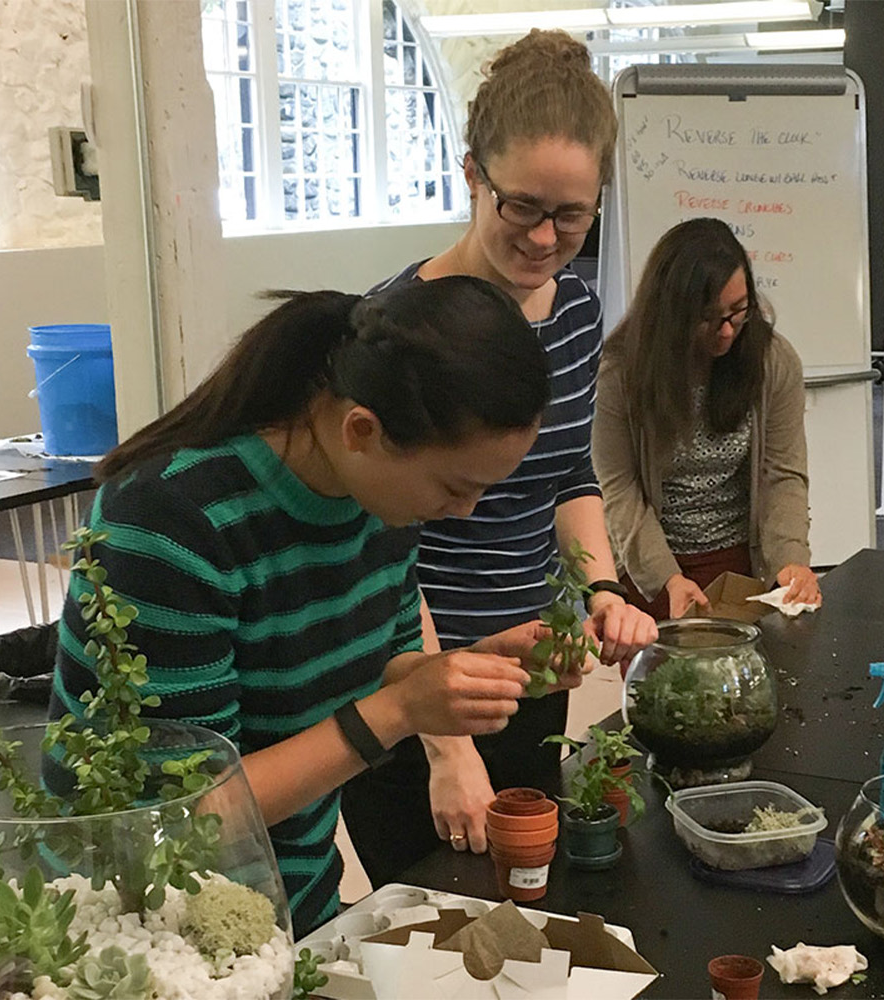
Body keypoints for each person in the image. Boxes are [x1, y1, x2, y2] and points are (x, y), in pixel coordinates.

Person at [50, 277, 555, 938]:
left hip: (288, 904)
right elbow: (192, 815)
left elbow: (388, 662)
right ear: (362, 430)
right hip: (138, 928)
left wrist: (468, 675)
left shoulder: (380, 499)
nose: (465, 512)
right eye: (456, 486)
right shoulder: (172, 517)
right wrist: (398, 712)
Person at [341, 29, 658, 886]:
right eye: (522, 206)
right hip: (414, 680)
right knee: (427, 916)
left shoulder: (578, 314)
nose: (547, 237)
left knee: (526, 905)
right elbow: (377, 557)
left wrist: (598, 590)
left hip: (530, 669)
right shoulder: (399, 329)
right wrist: (445, 746)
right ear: (472, 171)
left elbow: (567, 474)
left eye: (574, 215)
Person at [593, 217, 821, 621]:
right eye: (708, 318)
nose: (727, 332)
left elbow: (782, 475)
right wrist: (667, 578)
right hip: (651, 562)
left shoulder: (772, 360)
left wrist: (791, 559)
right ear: (670, 314)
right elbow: (620, 492)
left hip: (739, 562)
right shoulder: (621, 375)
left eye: (738, 311)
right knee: (667, 679)